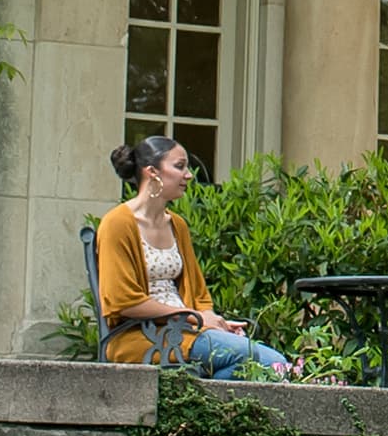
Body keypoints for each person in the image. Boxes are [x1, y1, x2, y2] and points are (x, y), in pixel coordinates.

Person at [97, 136, 290, 379]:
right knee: (258, 361)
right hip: (141, 337)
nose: (188, 175)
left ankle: (207, 413)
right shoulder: (117, 223)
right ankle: (211, 413)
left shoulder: (177, 225)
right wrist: (194, 317)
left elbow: (199, 295)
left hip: (187, 331)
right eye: (179, 166)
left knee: (276, 366)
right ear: (152, 172)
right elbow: (123, 301)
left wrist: (214, 321)